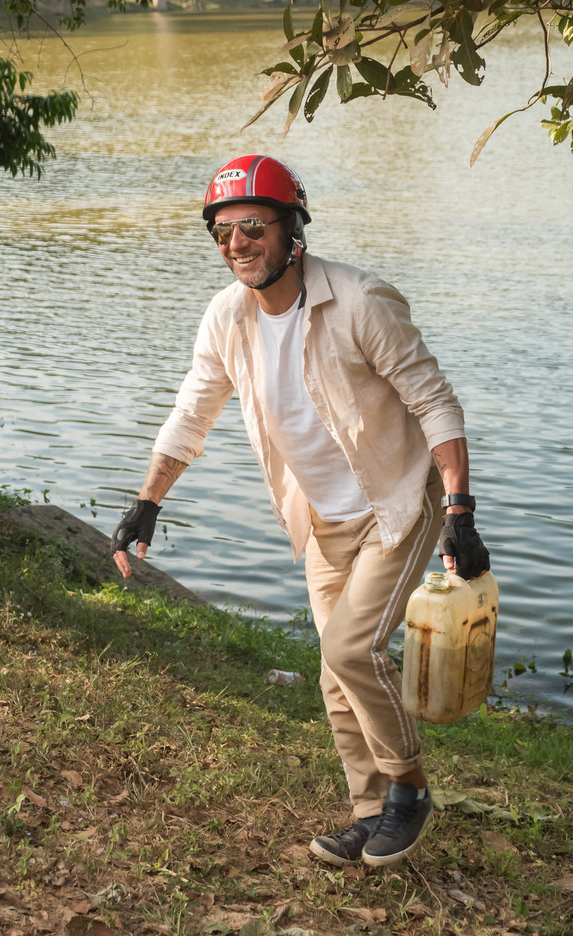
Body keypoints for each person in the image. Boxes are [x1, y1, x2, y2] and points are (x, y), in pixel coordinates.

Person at [111, 153, 490, 868]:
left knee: (353, 649)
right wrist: (146, 502)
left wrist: (460, 509)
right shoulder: (226, 317)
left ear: (293, 230)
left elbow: (434, 401)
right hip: (318, 518)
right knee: (334, 672)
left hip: (398, 505)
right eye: (222, 235)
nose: (237, 246)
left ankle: (409, 789)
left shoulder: (358, 302)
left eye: (253, 227)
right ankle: (371, 814)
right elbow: (192, 412)